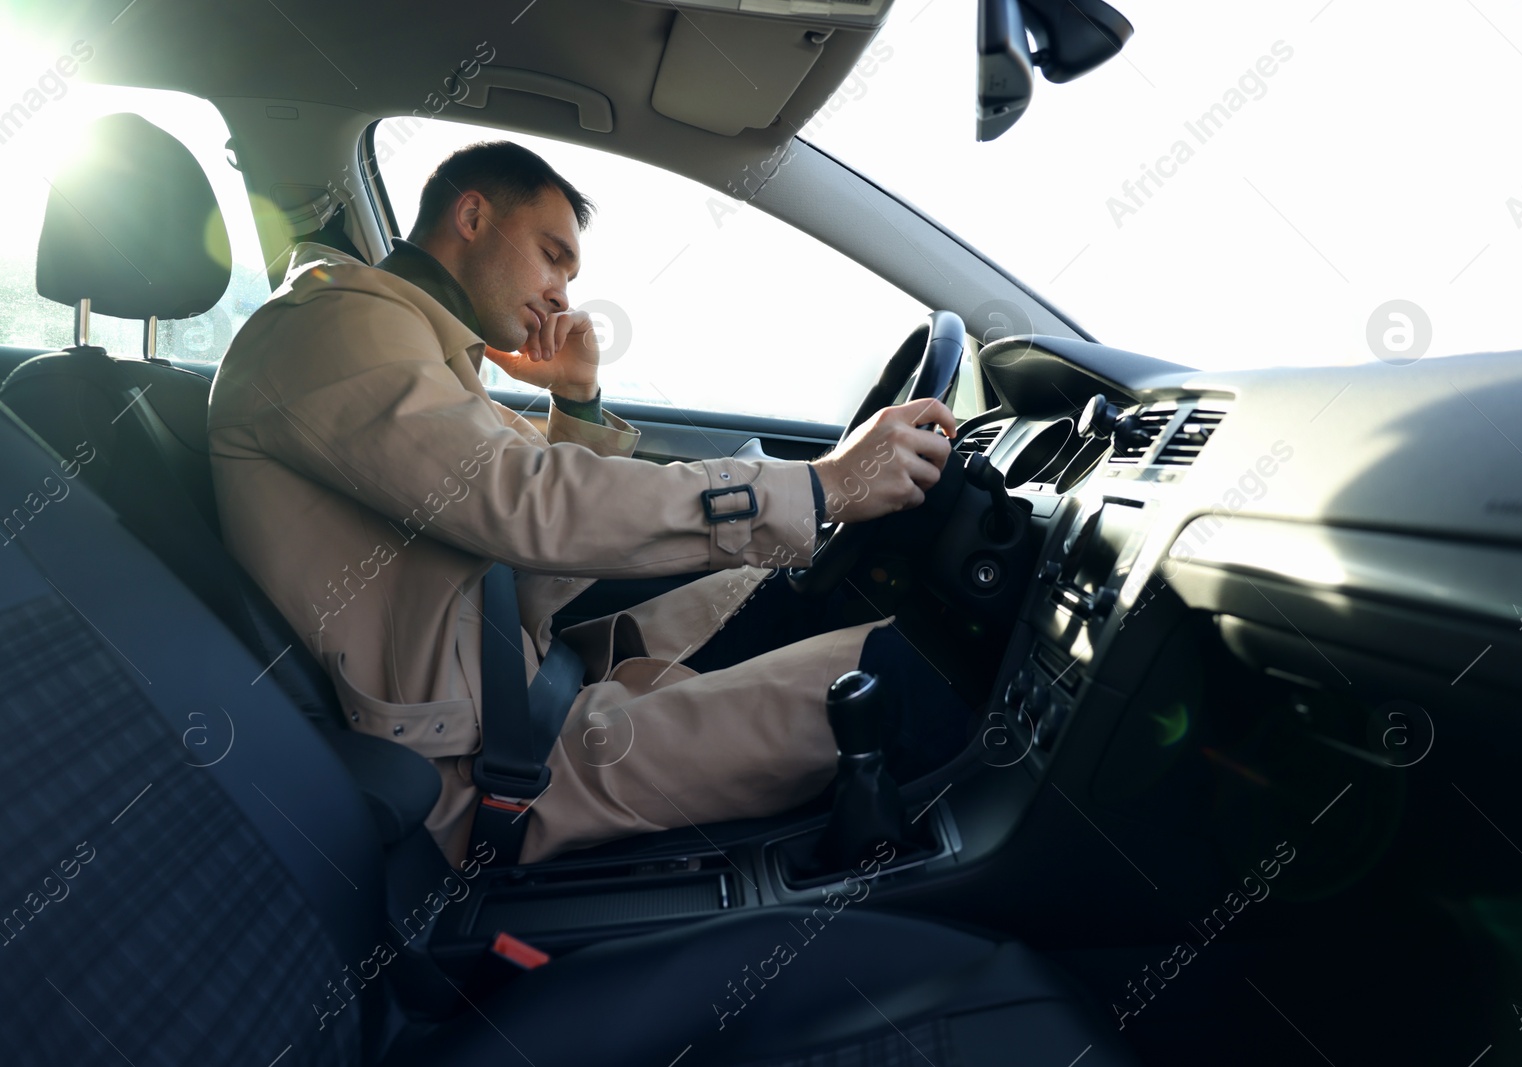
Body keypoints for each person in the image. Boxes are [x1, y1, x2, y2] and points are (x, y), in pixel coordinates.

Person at [208, 140, 968, 867]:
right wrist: (824, 486)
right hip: (485, 770)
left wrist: (577, 396)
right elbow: (530, 505)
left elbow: (535, 543)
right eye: (552, 255)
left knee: (788, 594)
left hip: (531, 692)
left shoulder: (418, 354)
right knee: (906, 679)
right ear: (471, 218)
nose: (562, 295)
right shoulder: (333, 323)